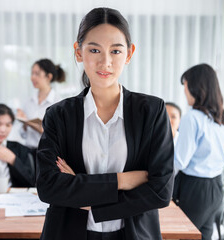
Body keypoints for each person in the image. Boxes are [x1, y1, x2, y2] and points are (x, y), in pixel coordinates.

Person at [36, 7, 174, 240]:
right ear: (78, 52)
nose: (105, 62)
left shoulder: (152, 111)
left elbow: (161, 191)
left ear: (129, 54)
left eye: (116, 51)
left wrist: (92, 201)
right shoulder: (58, 115)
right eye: (94, 50)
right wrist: (124, 180)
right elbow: (49, 186)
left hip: (133, 234)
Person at [172, 64, 224, 240]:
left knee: (181, 236)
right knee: (202, 237)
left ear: (197, 87)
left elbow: (179, 161)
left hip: (194, 189)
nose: (184, 91)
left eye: (186, 85)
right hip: (216, 189)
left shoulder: (193, 117)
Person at [16, 58, 65, 160]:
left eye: (37, 74)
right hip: (29, 153)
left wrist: (41, 129)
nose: (32, 77)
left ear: (49, 77)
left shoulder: (59, 103)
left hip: (49, 155)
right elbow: (23, 134)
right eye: (32, 73)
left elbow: (62, 136)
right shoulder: (28, 101)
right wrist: (24, 123)